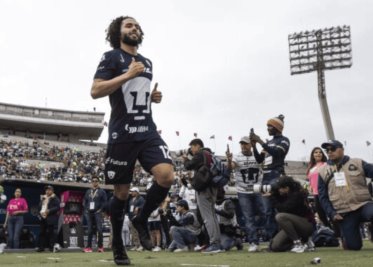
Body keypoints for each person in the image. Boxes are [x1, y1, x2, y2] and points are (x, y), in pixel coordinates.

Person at [91, 16, 174, 265]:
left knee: (167, 176)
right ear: (119, 33)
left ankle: (141, 218)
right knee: (122, 193)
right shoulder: (111, 57)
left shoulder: (146, 62)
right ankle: (118, 246)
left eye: (137, 26)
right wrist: (127, 75)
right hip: (122, 133)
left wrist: (151, 97)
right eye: (129, 25)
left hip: (147, 129)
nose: (134, 28)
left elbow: (134, 96)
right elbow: (96, 90)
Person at [318, 140, 373, 250]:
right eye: (327, 150)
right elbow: (322, 196)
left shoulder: (358, 162)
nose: (329, 152)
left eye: (333, 149)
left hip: (363, 205)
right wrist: (332, 213)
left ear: (342, 149)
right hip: (344, 212)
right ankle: (347, 237)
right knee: (353, 246)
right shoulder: (322, 171)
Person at [250, 114, 290, 239]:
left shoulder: (284, 140)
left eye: (270, 126)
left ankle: (285, 236)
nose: (267, 128)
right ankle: (272, 238)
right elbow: (259, 159)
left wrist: (261, 141)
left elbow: (277, 153)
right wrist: (254, 145)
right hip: (265, 177)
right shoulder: (269, 142)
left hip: (276, 175)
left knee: (279, 208)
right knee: (267, 211)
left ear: (277, 127)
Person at [183, 139, 222, 253]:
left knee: (208, 217)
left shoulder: (201, 153)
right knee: (212, 216)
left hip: (205, 189)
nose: (191, 149)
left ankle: (215, 244)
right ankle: (216, 242)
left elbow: (188, 166)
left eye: (192, 147)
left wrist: (185, 160)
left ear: (197, 146)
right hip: (212, 187)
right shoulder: (208, 154)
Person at [228, 136, 265, 252]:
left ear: (251, 144)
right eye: (242, 144)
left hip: (257, 189)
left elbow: (265, 164)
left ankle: (270, 236)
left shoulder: (257, 155)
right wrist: (229, 160)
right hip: (243, 191)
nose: (243, 146)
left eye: (246, 144)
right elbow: (231, 167)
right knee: (248, 217)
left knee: (265, 213)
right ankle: (253, 242)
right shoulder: (237, 156)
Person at [270, 176, 315, 253]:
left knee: (280, 217)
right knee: (275, 246)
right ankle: (305, 243)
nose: (279, 190)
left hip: (306, 224)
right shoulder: (285, 194)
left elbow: (284, 208)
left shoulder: (298, 194)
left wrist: (272, 198)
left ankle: (298, 244)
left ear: (287, 188)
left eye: (280, 188)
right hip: (294, 226)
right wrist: (274, 194)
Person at [83, 177, 107, 252]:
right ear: (91, 182)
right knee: (89, 230)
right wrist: (86, 209)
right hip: (89, 212)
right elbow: (84, 201)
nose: (94, 182)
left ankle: (100, 247)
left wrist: (100, 210)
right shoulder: (88, 191)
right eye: (93, 181)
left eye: (96, 181)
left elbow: (105, 202)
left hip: (97, 213)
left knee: (99, 229)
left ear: (98, 182)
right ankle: (88, 247)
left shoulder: (102, 191)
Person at [306, 147, 329, 227]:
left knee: (330, 213)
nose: (318, 154)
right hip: (315, 193)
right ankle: (329, 231)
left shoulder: (326, 164)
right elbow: (309, 180)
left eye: (320, 152)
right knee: (321, 215)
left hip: (325, 192)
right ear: (313, 155)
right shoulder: (310, 167)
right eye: (316, 152)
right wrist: (310, 187)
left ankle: (338, 234)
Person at [215, 187, 243, 251]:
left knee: (223, 247)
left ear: (223, 193)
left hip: (229, 229)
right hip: (218, 229)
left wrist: (217, 211)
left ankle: (236, 241)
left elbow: (230, 215)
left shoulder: (228, 202)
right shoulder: (213, 203)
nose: (217, 194)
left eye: (219, 192)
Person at [36, 185, 61, 253]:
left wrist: (49, 210)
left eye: (49, 190)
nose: (47, 191)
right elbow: (39, 206)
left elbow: (58, 207)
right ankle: (41, 247)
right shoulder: (43, 197)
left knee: (51, 233)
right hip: (43, 217)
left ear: (52, 191)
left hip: (51, 217)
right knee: (42, 232)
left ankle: (51, 247)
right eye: (46, 190)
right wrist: (39, 213)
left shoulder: (55, 198)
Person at [128, 187, 145, 251]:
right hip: (131, 218)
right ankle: (136, 245)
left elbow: (143, 206)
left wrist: (138, 208)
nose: (131, 192)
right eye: (131, 191)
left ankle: (141, 245)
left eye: (133, 191)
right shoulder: (131, 200)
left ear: (137, 192)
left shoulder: (141, 199)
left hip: (137, 218)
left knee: (138, 232)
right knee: (133, 232)